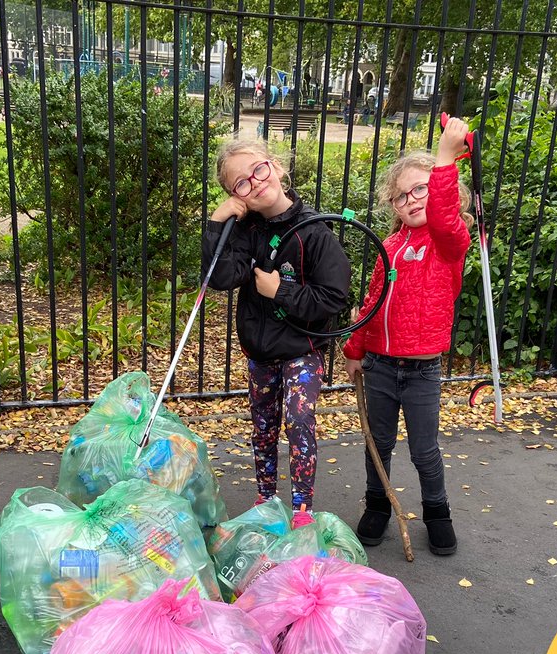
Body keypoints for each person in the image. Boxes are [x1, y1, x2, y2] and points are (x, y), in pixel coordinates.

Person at [203, 139, 353, 528]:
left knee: (299, 417)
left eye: (258, 170)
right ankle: (266, 497)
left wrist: (279, 291)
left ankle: (302, 506)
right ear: (236, 196)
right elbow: (221, 276)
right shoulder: (244, 231)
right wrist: (218, 223)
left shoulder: (315, 233)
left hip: (302, 348)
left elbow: (333, 297)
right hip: (261, 351)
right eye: (240, 184)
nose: (253, 183)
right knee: (263, 423)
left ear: (277, 168)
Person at [342, 116, 474, 555]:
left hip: (421, 372)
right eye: (402, 195)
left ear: (440, 194)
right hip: (380, 366)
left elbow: (443, 215)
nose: (412, 199)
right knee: (376, 443)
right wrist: (355, 348)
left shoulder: (448, 242)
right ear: (392, 204)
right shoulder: (390, 247)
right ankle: (377, 504)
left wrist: (444, 159)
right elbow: (372, 301)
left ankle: (438, 511)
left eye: (420, 189)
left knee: (423, 450)